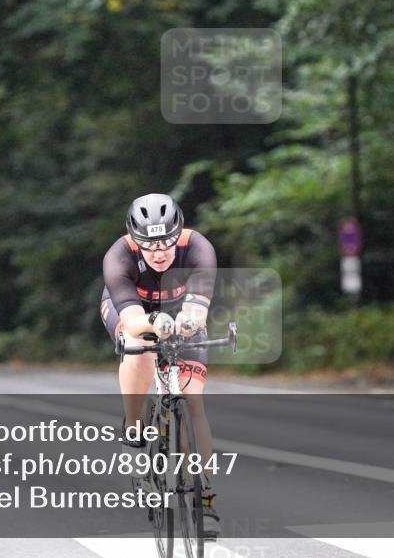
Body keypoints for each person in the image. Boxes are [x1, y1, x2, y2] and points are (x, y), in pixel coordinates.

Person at [101, 193, 221, 537]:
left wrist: (186, 321)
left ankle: (206, 499)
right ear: (134, 241)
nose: (159, 252)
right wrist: (155, 325)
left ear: (179, 233)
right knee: (138, 345)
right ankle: (135, 426)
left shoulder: (198, 248)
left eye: (166, 242)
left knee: (193, 400)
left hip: (183, 314)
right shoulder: (118, 256)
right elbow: (135, 321)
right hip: (133, 311)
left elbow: (198, 311)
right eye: (149, 244)